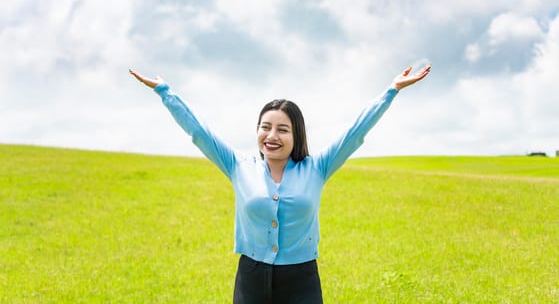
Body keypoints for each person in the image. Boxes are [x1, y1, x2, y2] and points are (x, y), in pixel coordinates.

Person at [129, 65, 430, 303]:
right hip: (251, 277)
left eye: (282, 129)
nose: (272, 136)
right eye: (265, 127)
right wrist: (165, 92)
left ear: (296, 135)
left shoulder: (318, 167)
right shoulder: (237, 167)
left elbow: (355, 132)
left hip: (301, 278)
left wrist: (391, 91)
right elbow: (199, 132)